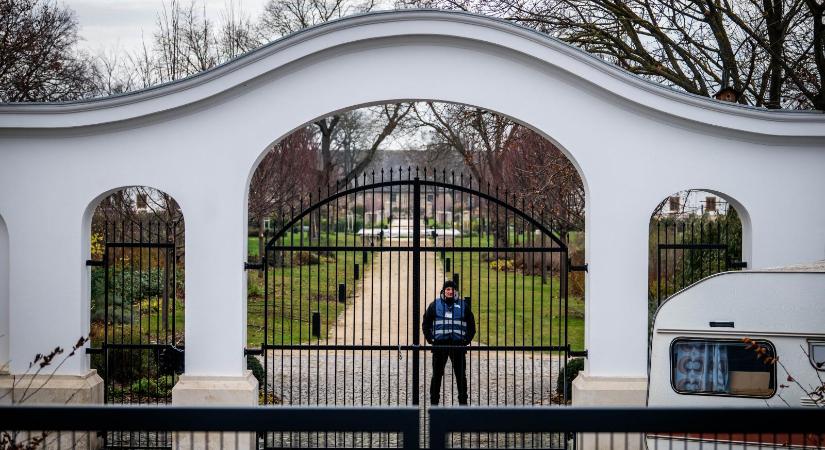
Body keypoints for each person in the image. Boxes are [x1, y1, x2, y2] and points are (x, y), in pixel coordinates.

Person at [422, 279, 476, 405]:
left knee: (461, 376)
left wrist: (466, 341)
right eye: (447, 289)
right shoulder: (434, 305)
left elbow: (471, 326)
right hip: (440, 346)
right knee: (437, 376)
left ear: (455, 291)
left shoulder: (463, 306)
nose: (450, 291)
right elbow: (426, 323)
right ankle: (434, 403)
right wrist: (430, 339)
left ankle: (463, 403)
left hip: (458, 346)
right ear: (443, 291)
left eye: (452, 289)